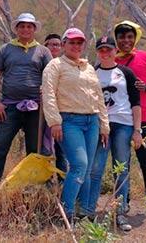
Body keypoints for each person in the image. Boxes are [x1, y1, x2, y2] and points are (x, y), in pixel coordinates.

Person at [41, 27, 110, 221]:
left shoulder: (88, 68)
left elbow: (99, 98)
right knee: (79, 165)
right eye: (71, 42)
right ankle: (66, 212)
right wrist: (54, 122)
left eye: (79, 42)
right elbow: (48, 94)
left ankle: (85, 213)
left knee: (86, 170)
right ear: (63, 45)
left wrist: (104, 126)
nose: (76, 46)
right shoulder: (55, 66)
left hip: (92, 121)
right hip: (69, 121)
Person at [82, 36, 142, 231]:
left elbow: (136, 103)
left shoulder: (126, 73)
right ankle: (89, 210)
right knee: (95, 169)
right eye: (101, 50)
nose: (105, 53)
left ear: (115, 51)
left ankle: (120, 213)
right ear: (97, 52)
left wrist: (137, 130)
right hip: (100, 126)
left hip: (123, 124)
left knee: (121, 169)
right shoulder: (91, 73)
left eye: (109, 49)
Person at [0, 13, 52, 184]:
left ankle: (34, 186)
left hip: (36, 107)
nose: (25, 29)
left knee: (35, 149)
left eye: (29, 26)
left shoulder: (43, 52)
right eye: (22, 26)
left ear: (34, 29)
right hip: (9, 107)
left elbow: (51, 77)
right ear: (16, 29)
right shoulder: (5, 50)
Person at [114, 21, 146, 202]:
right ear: (116, 39)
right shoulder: (112, 59)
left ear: (135, 38)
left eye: (129, 37)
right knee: (121, 163)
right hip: (118, 118)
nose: (125, 41)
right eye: (121, 37)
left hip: (144, 118)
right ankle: (122, 203)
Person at [44, 33, 67, 174]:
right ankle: (44, 180)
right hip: (42, 111)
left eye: (57, 44)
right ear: (45, 46)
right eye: (51, 44)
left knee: (61, 149)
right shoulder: (40, 62)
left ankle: (61, 181)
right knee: (44, 147)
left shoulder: (64, 65)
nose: (54, 47)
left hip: (62, 111)